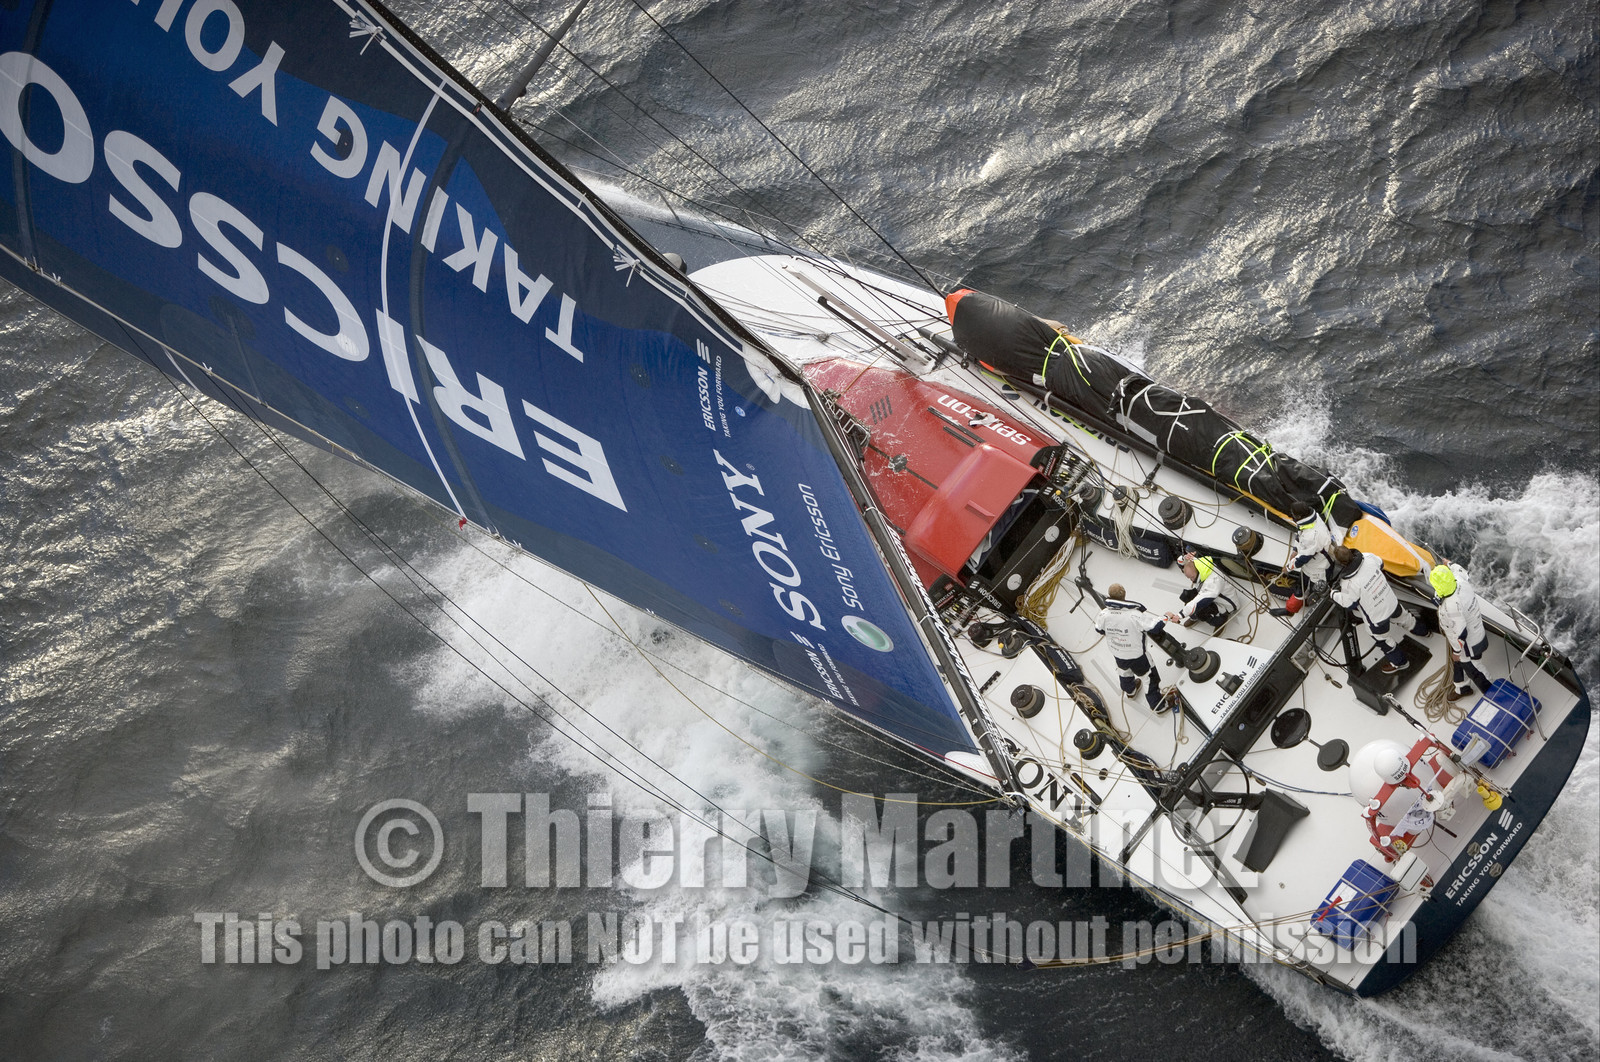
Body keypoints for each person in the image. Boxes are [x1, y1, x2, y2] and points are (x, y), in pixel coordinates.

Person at [1329, 546, 1419, 674]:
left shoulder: (1348, 583)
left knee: (1384, 640)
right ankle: (1425, 633)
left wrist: (1332, 593)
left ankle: (1400, 663)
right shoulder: (1368, 557)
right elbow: (1381, 564)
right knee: (1406, 618)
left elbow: (1349, 603)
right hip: (1392, 603)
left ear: (1341, 563)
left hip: (1378, 618)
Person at [1095, 584, 1170, 712]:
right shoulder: (1134, 615)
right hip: (1137, 656)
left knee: (1124, 672)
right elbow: (1154, 628)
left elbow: (1099, 629)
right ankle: (1158, 706)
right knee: (1149, 678)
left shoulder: (1103, 614)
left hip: (1118, 654)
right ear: (1124, 594)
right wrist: (1165, 617)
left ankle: (1130, 691)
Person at [1431, 561, 1491, 702]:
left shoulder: (1452, 606)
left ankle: (1493, 693)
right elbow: (1460, 569)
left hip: (1468, 644)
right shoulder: (1459, 579)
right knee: (1460, 663)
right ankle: (1462, 688)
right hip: (1478, 631)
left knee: (1474, 667)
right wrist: (1449, 563)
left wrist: (1457, 652)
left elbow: (1461, 632)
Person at [1164, 552, 1235, 632]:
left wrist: (1180, 615)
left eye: (1191, 578)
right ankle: (1194, 616)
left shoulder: (1213, 582)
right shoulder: (1197, 562)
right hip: (1206, 593)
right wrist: (1184, 558)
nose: (1191, 580)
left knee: (1201, 611)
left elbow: (1195, 604)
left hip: (1225, 604)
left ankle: (1219, 621)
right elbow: (1181, 562)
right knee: (1186, 595)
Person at [1286, 501, 1337, 593]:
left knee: (1317, 589)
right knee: (1303, 582)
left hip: (1320, 567)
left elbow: (1303, 558)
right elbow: (1300, 532)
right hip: (1309, 564)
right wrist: (1295, 550)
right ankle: (1301, 593)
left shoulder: (1312, 536)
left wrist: (1288, 568)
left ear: (1299, 517)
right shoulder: (1311, 518)